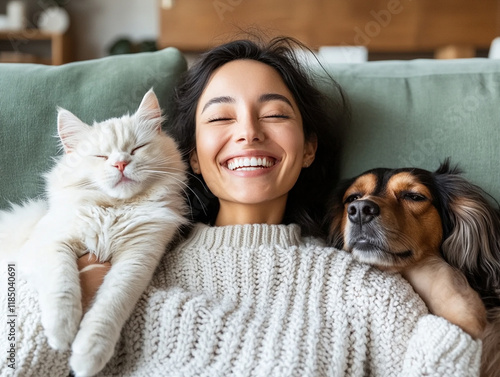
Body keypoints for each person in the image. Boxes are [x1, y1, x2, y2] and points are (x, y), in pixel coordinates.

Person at [2, 37, 481, 377]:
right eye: (221, 116)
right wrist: (60, 286)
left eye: (274, 113)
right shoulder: (106, 252)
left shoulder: (361, 287)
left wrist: (442, 282)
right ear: (189, 152)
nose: (249, 131)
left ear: (308, 148)